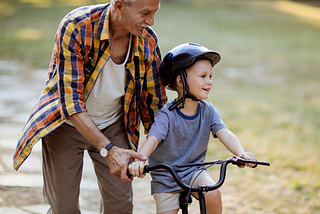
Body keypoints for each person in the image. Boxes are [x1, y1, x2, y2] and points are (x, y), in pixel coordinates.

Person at [13, 0, 166, 213]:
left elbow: (155, 106)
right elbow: (70, 102)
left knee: (120, 207)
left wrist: (166, 155)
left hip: (114, 124)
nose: (151, 21)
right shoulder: (77, 26)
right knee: (64, 209)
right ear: (120, 7)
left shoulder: (147, 42)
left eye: (155, 12)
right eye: (145, 13)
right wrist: (108, 150)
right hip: (67, 123)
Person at [128, 43, 257, 214]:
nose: (209, 82)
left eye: (210, 76)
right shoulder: (166, 115)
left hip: (194, 171)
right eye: (203, 76)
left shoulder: (208, 110)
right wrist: (140, 160)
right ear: (181, 81)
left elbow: (225, 133)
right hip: (166, 177)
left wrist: (242, 154)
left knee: (213, 194)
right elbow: (153, 139)